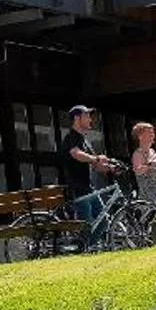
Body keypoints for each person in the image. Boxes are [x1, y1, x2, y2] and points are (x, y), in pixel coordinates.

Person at [60, 105, 114, 249]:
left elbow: (95, 164)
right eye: (87, 115)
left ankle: (85, 248)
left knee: (103, 221)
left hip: (88, 188)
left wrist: (111, 168)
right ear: (77, 118)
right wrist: (96, 159)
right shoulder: (71, 137)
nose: (90, 119)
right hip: (77, 189)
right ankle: (81, 250)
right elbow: (76, 154)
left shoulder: (84, 140)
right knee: (88, 225)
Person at [129, 121, 156, 206]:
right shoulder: (137, 154)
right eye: (149, 132)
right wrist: (149, 166)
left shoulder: (152, 151)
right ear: (140, 137)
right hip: (149, 196)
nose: (152, 135)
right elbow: (137, 170)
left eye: (153, 132)